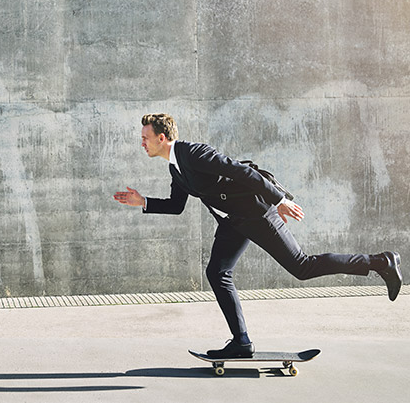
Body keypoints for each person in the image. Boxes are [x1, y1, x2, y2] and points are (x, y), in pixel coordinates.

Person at [114, 113, 403, 358]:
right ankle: (241, 342)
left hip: (256, 213)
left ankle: (380, 262)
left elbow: (240, 171)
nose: (142, 142)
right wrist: (144, 202)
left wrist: (279, 200)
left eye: (145, 137)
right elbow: (177, 206)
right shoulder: (176, 168)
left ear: (162, 137)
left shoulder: (193, 153)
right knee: (217, 272)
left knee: (302, 267)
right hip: (233, 222)